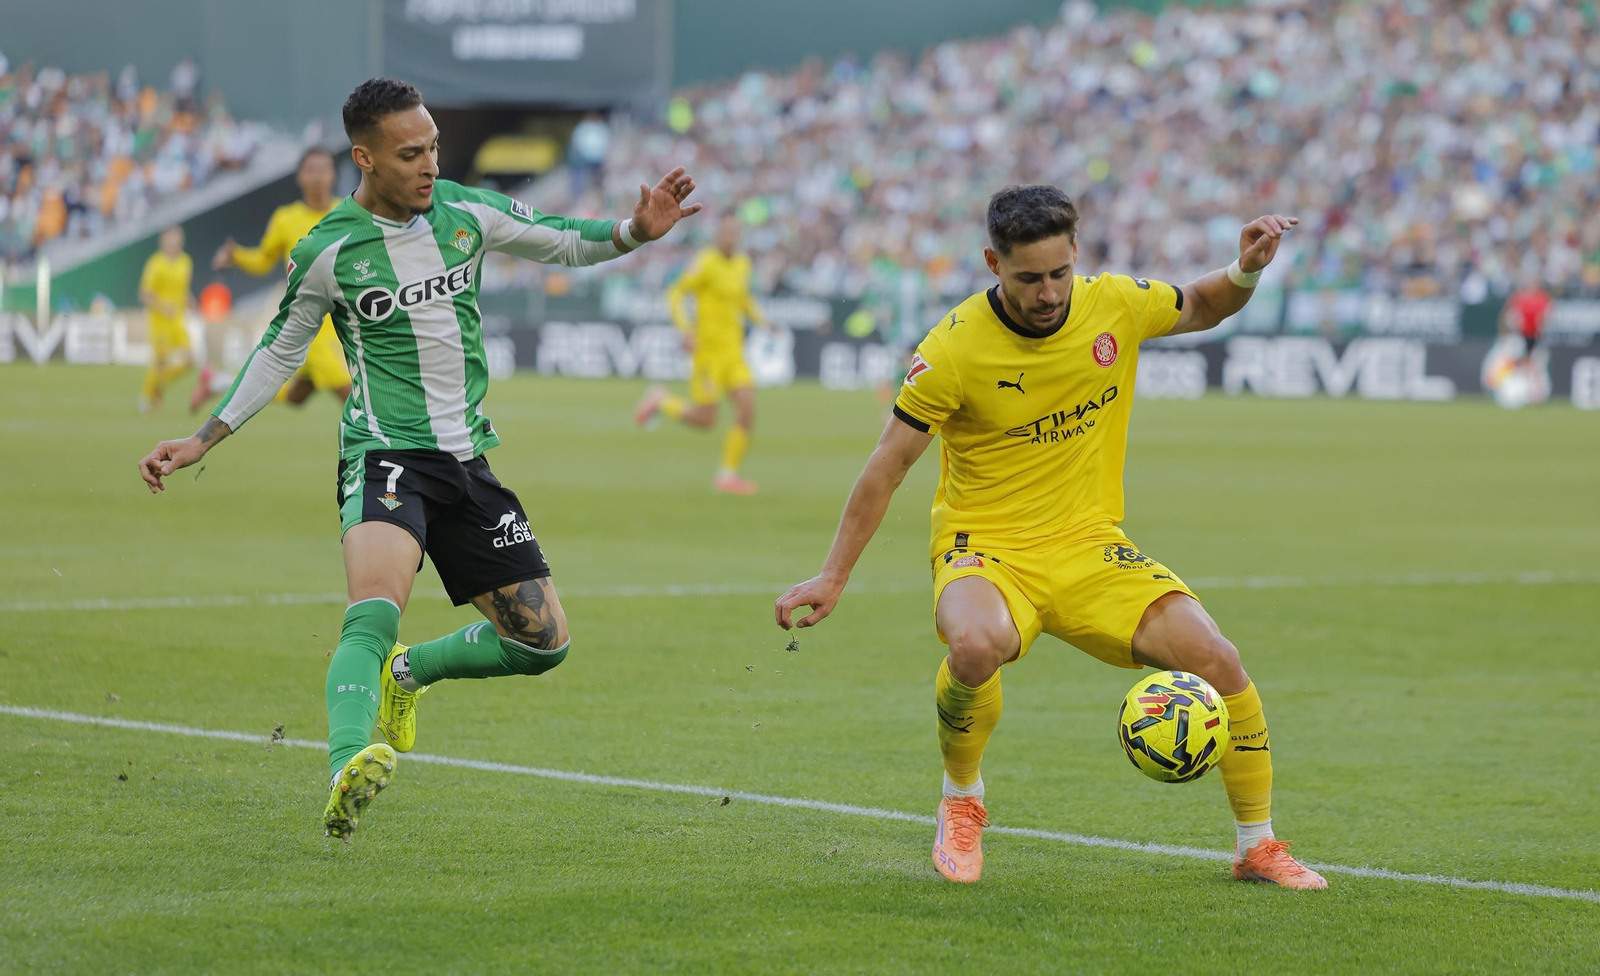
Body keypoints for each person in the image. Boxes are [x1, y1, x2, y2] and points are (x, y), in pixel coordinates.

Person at [137, 78, 702, 841]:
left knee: (543, 644)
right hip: (385, 455)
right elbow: (280, 350)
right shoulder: (328, 250)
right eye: (411, 154)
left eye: (434, 145)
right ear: (365, 158)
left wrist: (636, 230)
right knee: (372, 610)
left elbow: (568, 239)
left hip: (469, 463)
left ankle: (411, 674)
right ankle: (346, 762)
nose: (430, 163)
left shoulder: (466, 213)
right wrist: (203, 438)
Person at [774, 185, 1326, 889]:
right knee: (974, 647)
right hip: (987, 548)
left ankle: (1258, 846)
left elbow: (1203, 303)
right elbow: (888, 464)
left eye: (1059, 273)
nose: (1047, 293)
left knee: (1216, 655)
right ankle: (962, 799)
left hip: (1091, 545)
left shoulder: (1113, 304)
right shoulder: (952, 349)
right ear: (992, 264)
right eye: (1028, 278)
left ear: (1076, 255)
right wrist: (833, 574)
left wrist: (1246, 268)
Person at [634, 213, 770, 494]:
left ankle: (727, 474)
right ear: (718, 234)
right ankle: (661, 401)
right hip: (707, 354)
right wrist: (685, 329)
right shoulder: (705, 263)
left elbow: (744, 299)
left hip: (734, 352)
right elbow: (675, 293)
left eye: (735, 232)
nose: (731, 237)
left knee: (747, 408)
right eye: (727, 232)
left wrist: (763, 321)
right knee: (707, 420)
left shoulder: (743, 264)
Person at [208, 146, 350, 411]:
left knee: (296, 396)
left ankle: (220, 382)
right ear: (300, 177)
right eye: (311, 170)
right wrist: (236, 255)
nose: (318, 177)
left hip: (343, 322)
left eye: (324, 169)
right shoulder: (286, 219)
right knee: (354, 397)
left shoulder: (347, 212)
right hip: (310, 324)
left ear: (333, 174)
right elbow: (264, 261)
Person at [137, 226, 201, 414]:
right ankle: (146, 397)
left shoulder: (185, 262)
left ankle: (159, 385)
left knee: (190, 360)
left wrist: (191, 302)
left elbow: (182, 289)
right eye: (170, 240)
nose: (174, 244)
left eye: (177, 240)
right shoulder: (155, 263)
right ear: (163, 242)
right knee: (161, 362)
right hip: (160, 321)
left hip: (178, 321)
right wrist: (164, 306)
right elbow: (145, 294)